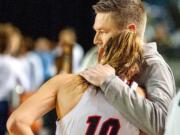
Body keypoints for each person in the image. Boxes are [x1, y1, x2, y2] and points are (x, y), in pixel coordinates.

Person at [7, 31, 146, 135]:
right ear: (135, 67)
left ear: (100, 53)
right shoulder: (142, 98)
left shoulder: (66, 82)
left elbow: (16, 122)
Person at [80, 0, 176, 135]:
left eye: (102, 31)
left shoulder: (155, 66)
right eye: (96, 31)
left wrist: (109, 83)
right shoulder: (98, 58)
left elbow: (162, 125)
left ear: (130, 31)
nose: (95, 40)